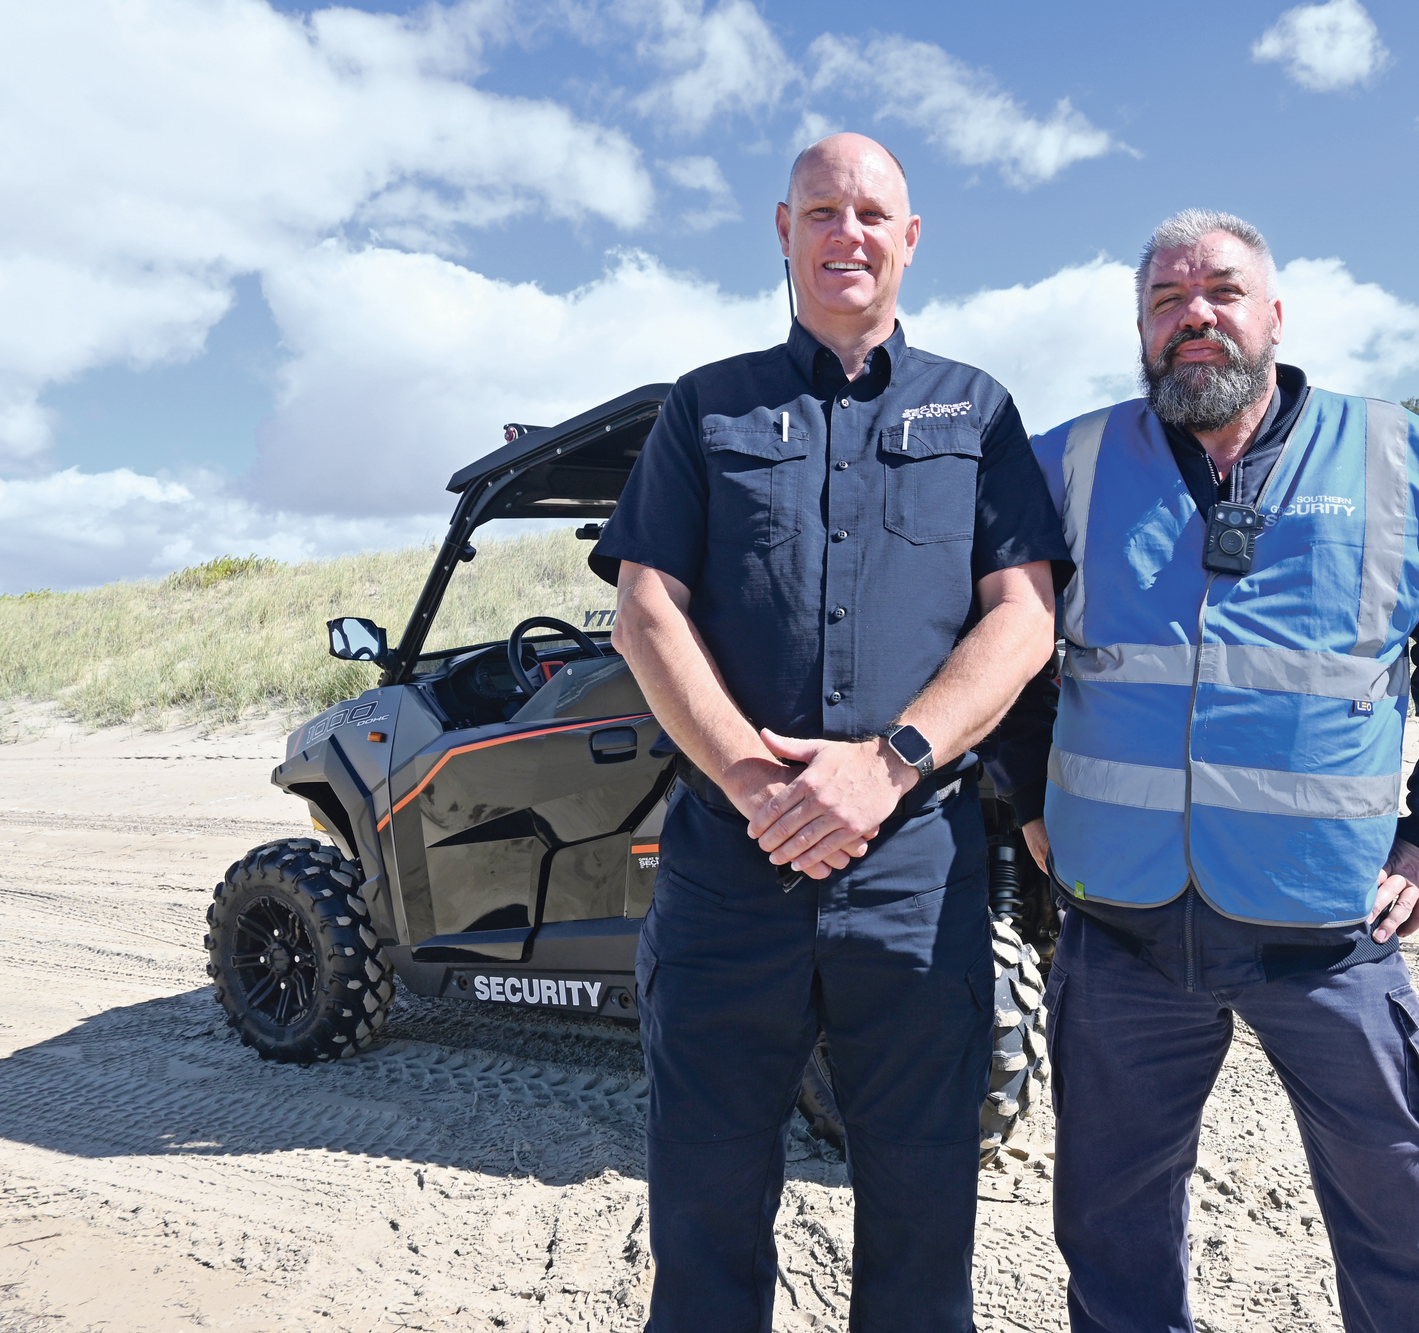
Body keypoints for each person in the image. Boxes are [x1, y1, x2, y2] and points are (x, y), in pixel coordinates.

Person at [1012, 210, 1419, 1333]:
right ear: (1141, 329)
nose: (1190, 316)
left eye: (1219, 291)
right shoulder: (1068, 462)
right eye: (1163, 300)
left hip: (1329, 929)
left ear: (1273, 315)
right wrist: (1025, 791)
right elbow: (997, 647)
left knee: (1403, 1208)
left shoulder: (1401, 459)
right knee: (1108, 1224)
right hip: (1120, 927)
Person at [590, 133, 1067, 1332]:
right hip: (728, 866)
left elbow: (1022, 618)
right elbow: (644, 610)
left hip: (913, 871)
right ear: (784, 233)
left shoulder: (977, 410)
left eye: (870, 212)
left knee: (920, 1211)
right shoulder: (708, 407)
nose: (845, 232)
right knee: (703, 1203)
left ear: (909, 239)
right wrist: (761, 784)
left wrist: (884, 766)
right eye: (820, 211)